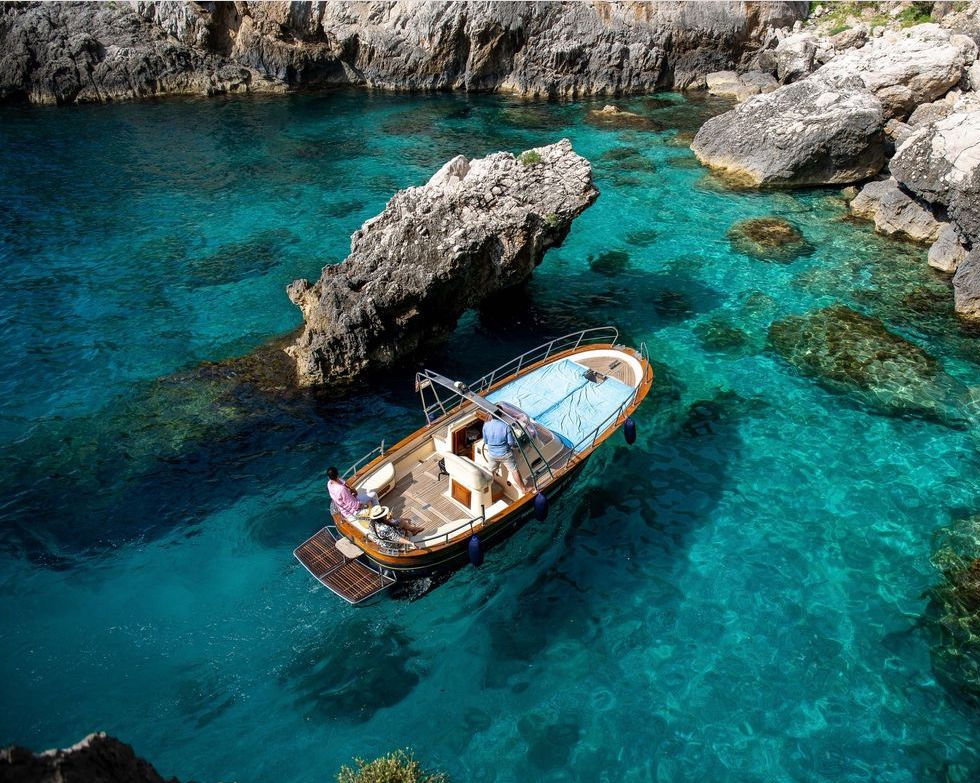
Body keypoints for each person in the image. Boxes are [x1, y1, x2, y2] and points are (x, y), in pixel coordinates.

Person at [477, 410, 528, 495]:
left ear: (491, 414)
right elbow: (511, 443)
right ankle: (523, 489)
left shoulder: (486, 425)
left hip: (492, 454)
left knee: (490, 472)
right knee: (514, 470)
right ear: (500, 415)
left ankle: (485, 491)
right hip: (505, 454)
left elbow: (485, 441)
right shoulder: (506, 426)